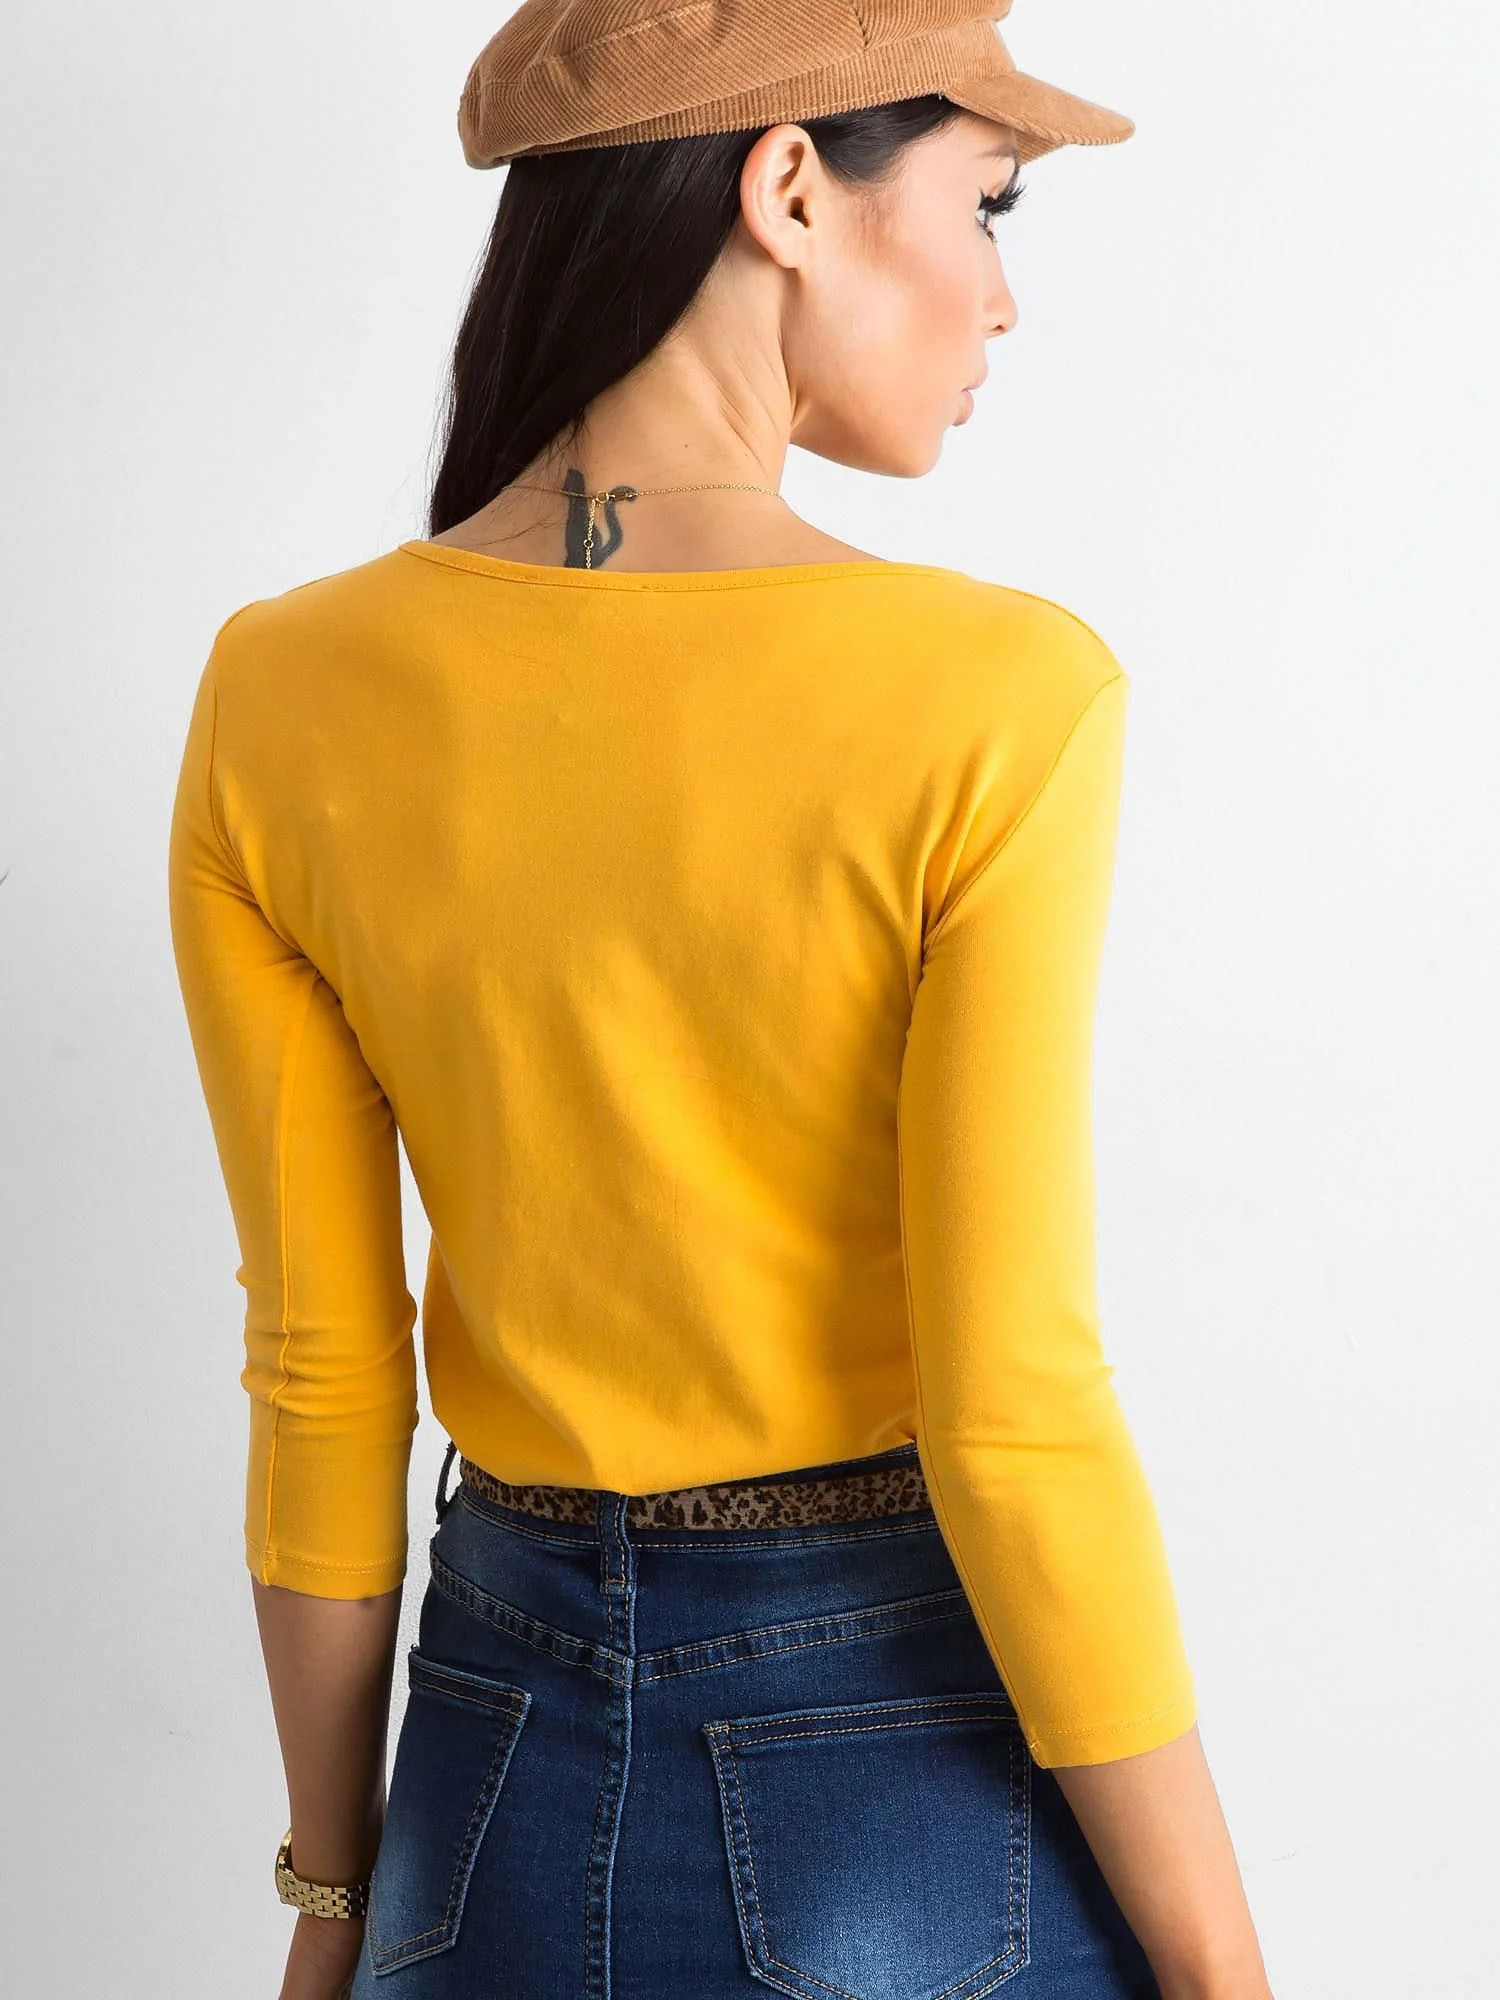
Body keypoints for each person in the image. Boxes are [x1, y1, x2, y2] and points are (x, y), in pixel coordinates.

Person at [166, 3, 1277, 1996]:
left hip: (475, 1802)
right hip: (895, 1782)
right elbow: (1013, 1410)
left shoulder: (280, 691)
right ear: (789, 189)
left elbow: (324, 1374)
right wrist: (1225, 1970)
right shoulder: (994, 700)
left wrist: (333, 1912)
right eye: (991, 204)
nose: (1003, 299)